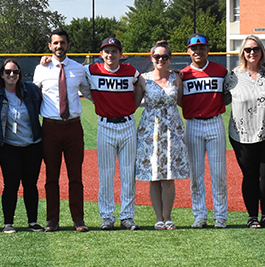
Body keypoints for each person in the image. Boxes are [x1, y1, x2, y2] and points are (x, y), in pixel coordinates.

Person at [32, 29, 91, 232]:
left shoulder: (79, 69)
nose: (59, 46)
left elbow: (88, 92)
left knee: (75, 177)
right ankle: (52, 220)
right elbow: (33, 94)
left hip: (73, 127)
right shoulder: (41, 69)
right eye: (55, 43)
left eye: (62, 43)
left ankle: (78, 220)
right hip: (50, 128)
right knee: (51, 177)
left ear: (68, 45)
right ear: (50, 46)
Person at [224, 36, 265, 229]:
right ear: (242, 52)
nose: (252, 53)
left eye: (256, 48)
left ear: (262, 50)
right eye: (248, 49)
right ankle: (252, 216)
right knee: (249, 175)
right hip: (241, 135)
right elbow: (219, 99)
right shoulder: (232, 76)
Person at [87, 37, 142, 230]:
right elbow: (79, 81)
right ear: (101, 54)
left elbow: (141, 87)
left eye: (114, 51)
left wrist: (132, 107)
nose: (110, 54)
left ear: (121, 54)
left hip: (127, 125)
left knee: (128, 173)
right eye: (107, 51)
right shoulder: (92, 70)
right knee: (106, 174)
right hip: (105, 125)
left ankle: (127, 216)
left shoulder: (130, 71)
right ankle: (107, 217)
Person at [135, 40, 189, 229]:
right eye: (157, 56)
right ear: (152, 58)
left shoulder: (176, 78)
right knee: (154, 175)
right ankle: (158, 218)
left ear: (169, 59)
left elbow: (182, 101)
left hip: (172, 130)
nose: (160, 59)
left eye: (164, 57)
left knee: (169, 175)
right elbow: (132, 104)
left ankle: (168, 217)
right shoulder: (143, 79)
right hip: (150, 130)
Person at [179, 33, 229, 228]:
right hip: (193, 124)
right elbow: (180, 100)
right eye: (194, 48)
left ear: (208, 49)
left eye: (202, 47)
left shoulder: (220, 71)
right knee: (196, 173)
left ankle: (221, 216)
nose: (198, 51)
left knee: (218, 173)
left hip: (215, 122)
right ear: (188, 51)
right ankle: (200, 215)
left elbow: (227, 95)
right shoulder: (183, 75)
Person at [0, 58, 43, 233]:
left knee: (30, 184)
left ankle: (33, 221)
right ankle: (8, 223)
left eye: (15, 72)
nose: (12, 74)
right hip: (9, 146)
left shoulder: (31, 90)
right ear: (2, 75)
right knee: (11, 184)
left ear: (20, 74)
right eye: (8, 72)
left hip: (32, 145)